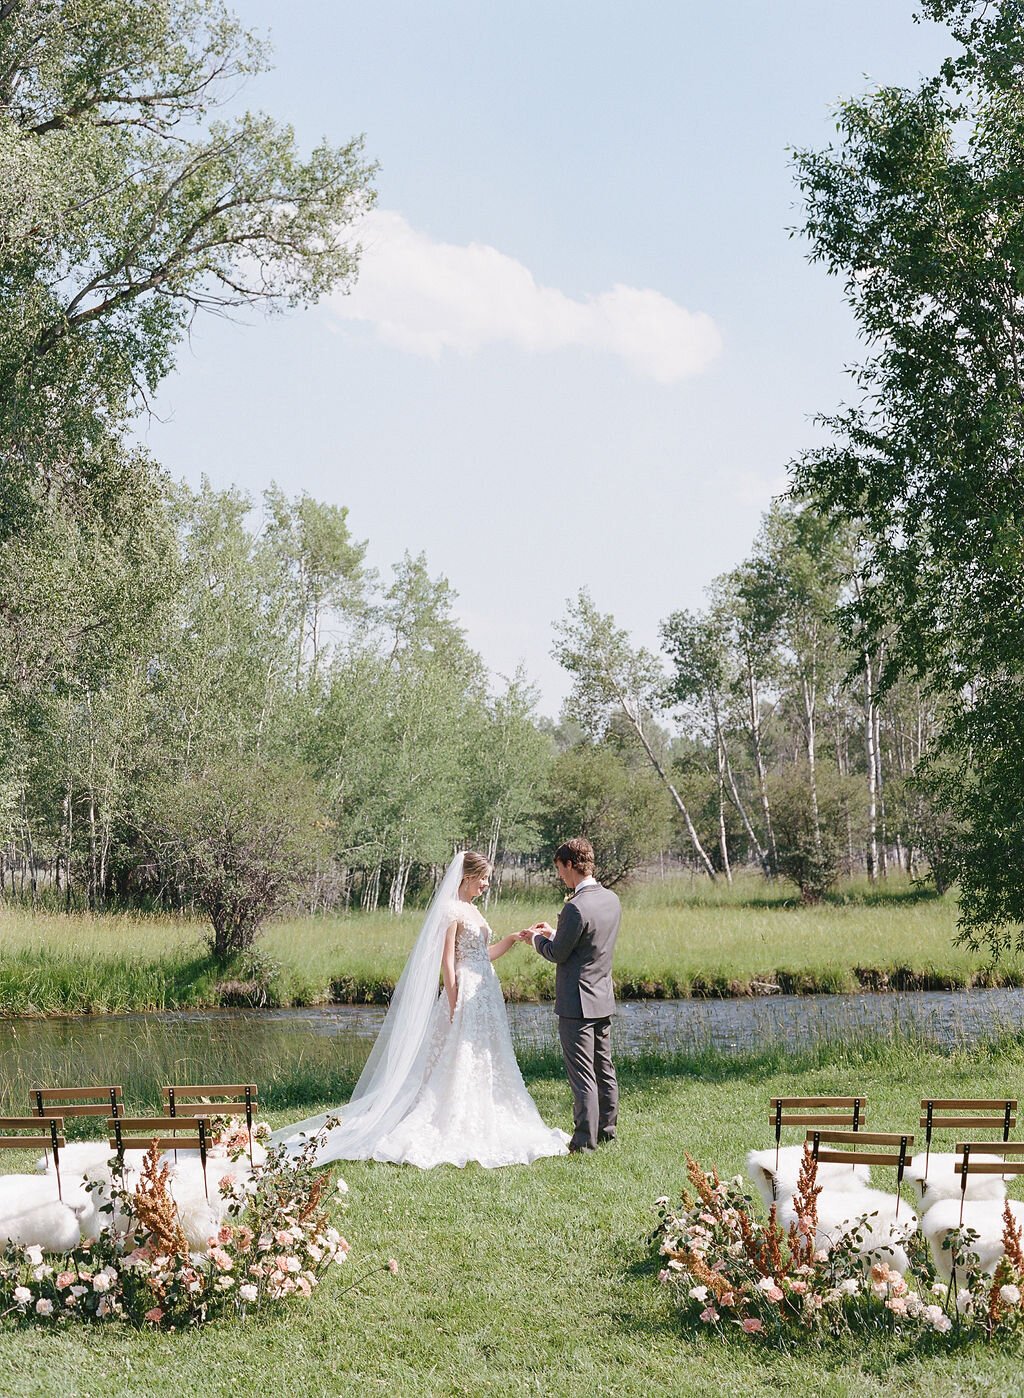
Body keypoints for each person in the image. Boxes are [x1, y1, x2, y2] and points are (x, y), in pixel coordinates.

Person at [271, 851, 568, 1168]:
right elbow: (448, 963)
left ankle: (484, 1109)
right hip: (465, 993)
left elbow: (482, 955)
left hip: (486, 993)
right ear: (467, 876)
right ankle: (449, 1115)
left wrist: (512, 938)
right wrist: (454, 1002)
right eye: (483, 878)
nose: (486, 884)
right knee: (456, 1057)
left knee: (486, 1055)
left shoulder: (474, 910)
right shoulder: (452, 911)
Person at [523, 837, 620, 1153]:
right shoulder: (610, 899)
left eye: (560, 869)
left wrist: (537, 939)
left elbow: (557, 953)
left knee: (582, 1077)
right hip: (602, 996)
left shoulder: (575, 906)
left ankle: (583, 1142)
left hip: (576, 1002)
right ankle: (607, 1130)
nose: (560, 876)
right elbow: (585, 943)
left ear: (569, 865)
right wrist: (555, 931)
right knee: (603, 1068)